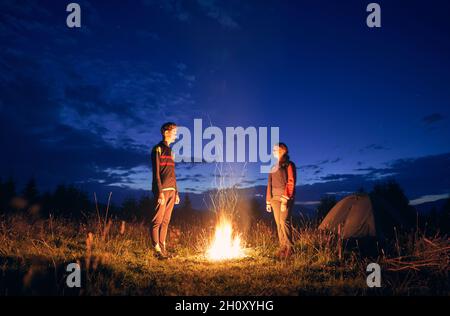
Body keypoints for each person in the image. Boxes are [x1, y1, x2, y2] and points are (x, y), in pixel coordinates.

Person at [151, 122, 180, 259]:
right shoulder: (157, 149)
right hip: (162, 190)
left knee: (166, 221)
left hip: (172, 191)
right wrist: (159, 191)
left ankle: (163, 250)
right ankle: (156, 250)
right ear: (166, 132)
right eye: (174, 131)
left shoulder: (171, 152)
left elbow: (172, 173)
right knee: (157, 220)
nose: (176, 134)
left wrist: (177, 192)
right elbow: (156, 173)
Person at [266, 143, 297, 259]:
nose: (273, 151)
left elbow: (291, 181)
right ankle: (283, 248)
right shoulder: (272, 167)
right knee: (279, 223)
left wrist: (285, 200)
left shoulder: (289, 165)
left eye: (275, 149)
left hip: (285, 198)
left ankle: (290, 248)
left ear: (283, 150)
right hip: (274, 199)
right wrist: (268, 201)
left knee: (284, 221)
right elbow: (269, 184)